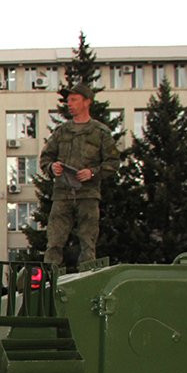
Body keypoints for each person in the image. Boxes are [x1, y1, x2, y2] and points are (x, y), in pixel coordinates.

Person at [40, 82, 119, 268]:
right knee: (54, 242)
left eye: (74, 100)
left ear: (87, 102)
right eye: (68, 101)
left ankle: (87, 276)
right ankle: (49, 276)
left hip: (88, 194)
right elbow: (45, 158)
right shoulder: (62, 131)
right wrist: (52, 167)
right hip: (62, 194)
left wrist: (92, 172)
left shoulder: (100, 132)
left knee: (88, 243)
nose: (70, 104)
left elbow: (113, 163)